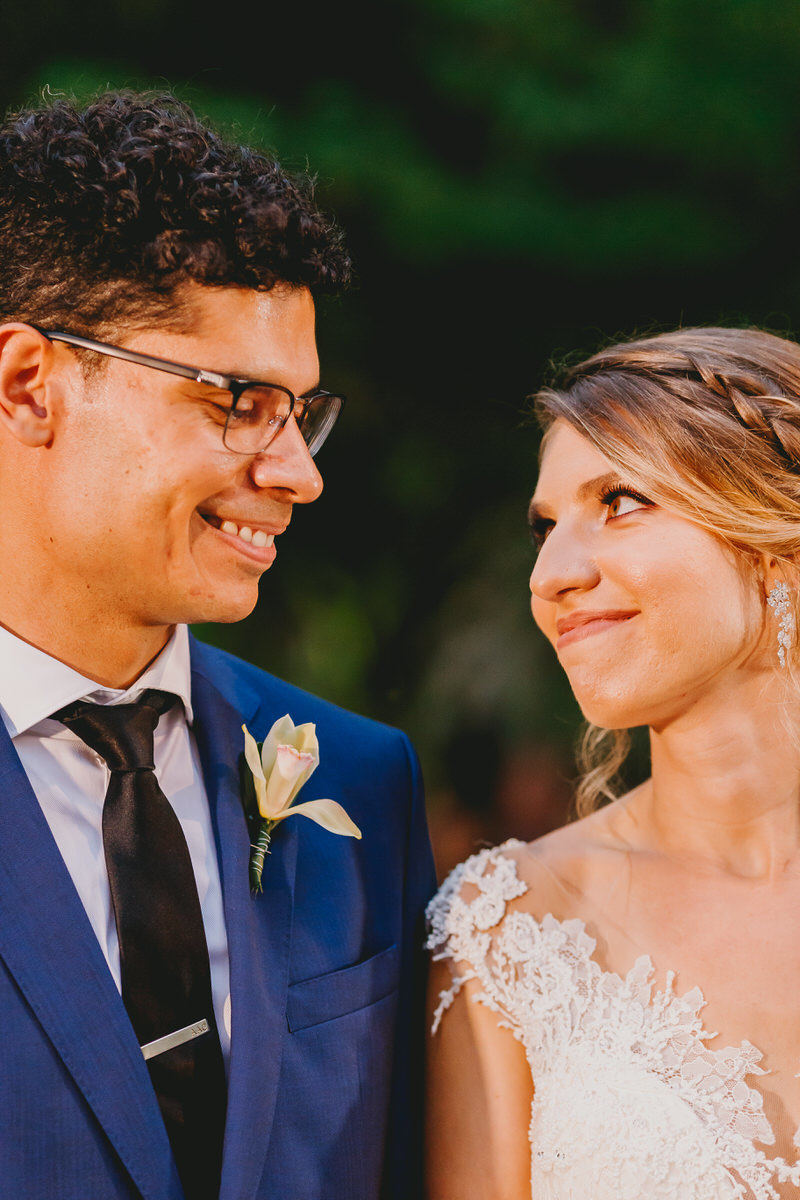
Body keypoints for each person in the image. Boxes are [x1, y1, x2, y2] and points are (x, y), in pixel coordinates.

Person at [0, 90, 435, 1200]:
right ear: (28, 385)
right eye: (239, 401)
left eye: (300, 413)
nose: (299, 474)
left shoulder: (361, 782)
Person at [425, 326, 800, 1200]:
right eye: (544, 528)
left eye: (621, 501)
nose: (550, 575)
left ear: (775, 542)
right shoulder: (510, 928)